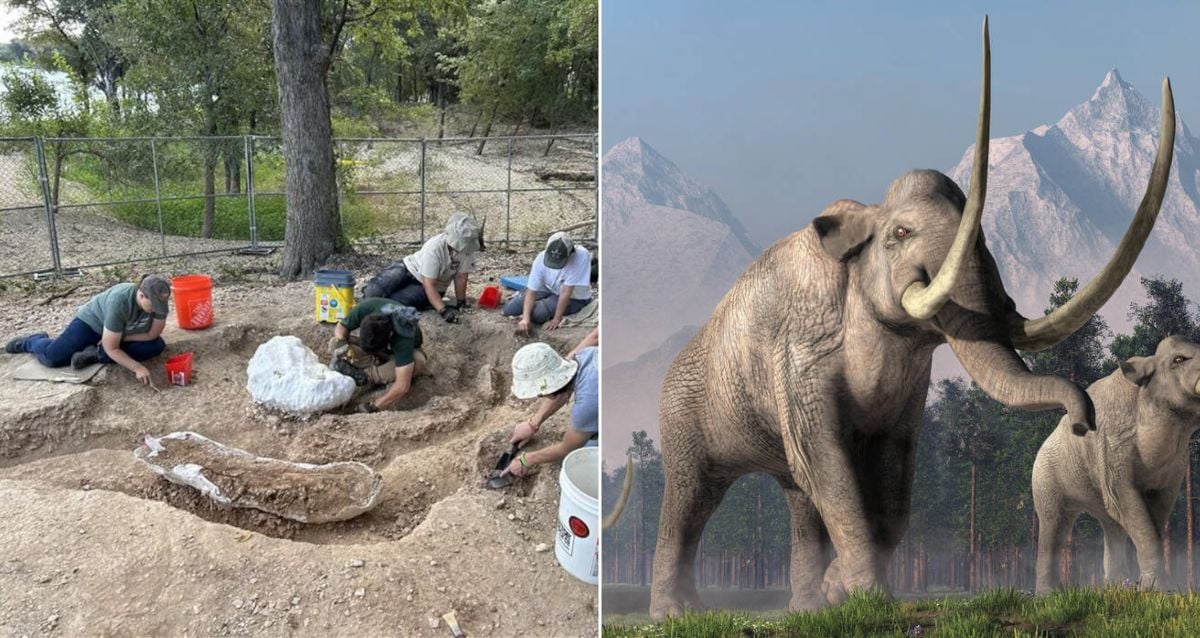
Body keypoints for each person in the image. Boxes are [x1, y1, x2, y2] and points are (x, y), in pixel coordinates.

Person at [4, 275, 172, 385]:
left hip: (120, 332)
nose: (158, 309)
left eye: (160, 305)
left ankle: (94, 354)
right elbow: (112, 348)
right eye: (154, 305)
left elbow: (152, 334)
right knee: (53, 358)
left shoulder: (159, 304)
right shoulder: (120, 301)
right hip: (92, 323)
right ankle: (32, 341)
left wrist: (123, 338)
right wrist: (137, 368)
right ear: (141, 295)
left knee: (155, 345)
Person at [501, 329, 599, 478]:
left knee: (582, 454)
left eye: (539, 392)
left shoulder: (588, 401)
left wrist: (526, 459)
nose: (540, 395)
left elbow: (567, 448)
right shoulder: (583, 357)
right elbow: (562, 388)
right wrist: (533, 423)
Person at [362, 212, 481, 324]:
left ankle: (372, 313)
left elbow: (461, 277)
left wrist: (460, 303)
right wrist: (444, 310)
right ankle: (363, 303)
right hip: (408, 267)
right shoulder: (435, 247)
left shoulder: (467, 251)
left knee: (393, 303)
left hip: (430, 286)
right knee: (374, 291)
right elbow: (429, 283)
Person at [326, 297, 427, 413]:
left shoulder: (403, 337)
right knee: (334, 343)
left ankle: (368, 375)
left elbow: (402, 386)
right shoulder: (366, 308)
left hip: (395, 355)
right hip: (376, 348)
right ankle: (364, 369)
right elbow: (341, 328)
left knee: (419, 363)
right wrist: (342, 344)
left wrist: (373, 406)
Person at [503, 231, 592, 333]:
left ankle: (541, 305)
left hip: (575, 297)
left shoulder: (581, 256)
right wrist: (525, 319)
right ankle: (536, 304)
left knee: (538, 315)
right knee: (510, 309)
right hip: (549, 288)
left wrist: (556, 319)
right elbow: (532, 290)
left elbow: (566, 293)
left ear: (570, 253)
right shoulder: (540, 259)